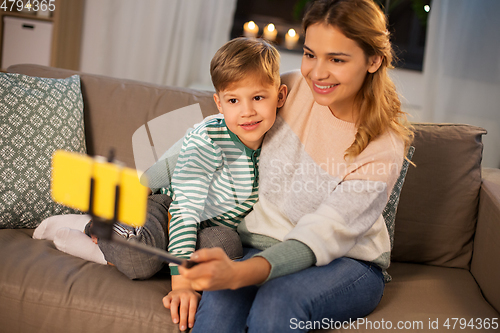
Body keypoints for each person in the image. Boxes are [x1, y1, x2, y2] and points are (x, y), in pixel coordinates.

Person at [169, 0, 414, 332]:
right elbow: (220, 127)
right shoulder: (288, 90)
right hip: (260, 242)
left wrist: (243, 271)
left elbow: (323, 234)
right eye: (310, 54)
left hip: (348, 261)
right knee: (223, 300)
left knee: (279, 300)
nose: (317, 72)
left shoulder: (384, 145)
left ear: (374, 60)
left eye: (337, 59)